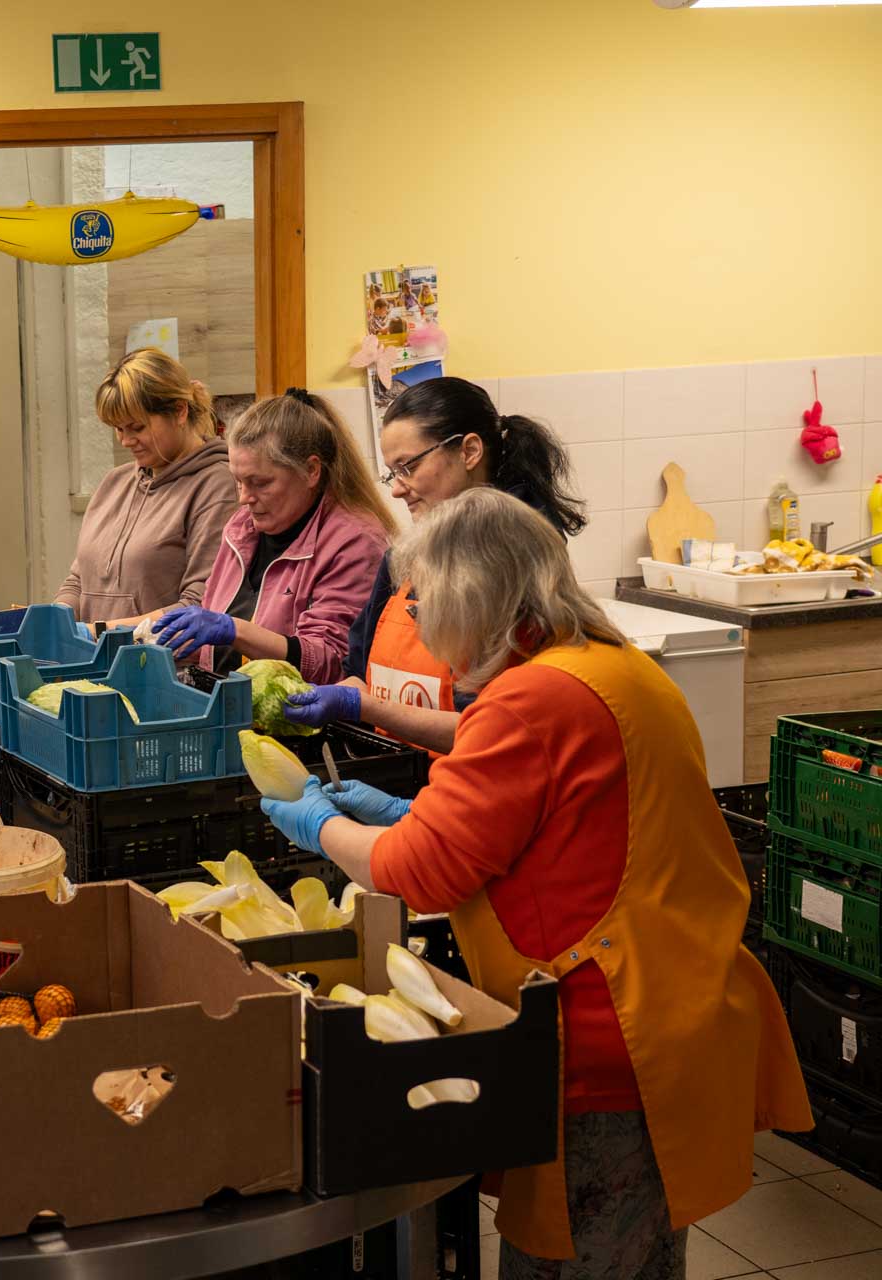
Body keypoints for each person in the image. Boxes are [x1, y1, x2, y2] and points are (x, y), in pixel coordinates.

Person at [260, 489, 809, 1279]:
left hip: (605, 1020)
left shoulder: (534, 696)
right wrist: (409, 803)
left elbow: (417, 871)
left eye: (426, 607)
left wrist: (314, 822)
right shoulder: (607, 664)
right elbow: (530, 794)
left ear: (472, 603)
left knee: (581, 1259)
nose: (422, 629)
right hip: (674, 1000)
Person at [283, 376, 586, 753]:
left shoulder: (515, 563)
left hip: (478, 786)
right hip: (401, 778)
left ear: (469, 451)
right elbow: (359, 670)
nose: (396, 488)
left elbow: (497, 732)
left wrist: (367, 706)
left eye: (408, 466)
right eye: (392, 472)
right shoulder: (406, 556)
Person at [151, 390, 395, 682]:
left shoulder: (355, 542)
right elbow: (216, 641)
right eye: (238, 481)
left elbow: (331, 662)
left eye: (260, 483)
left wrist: (235, 630)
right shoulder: (241, 527)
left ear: (311, 470)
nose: (244, 498)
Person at [53, 348, 236, 627]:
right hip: (98, 661)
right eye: (118, 429)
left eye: (136, 427)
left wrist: (98, 632)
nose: (125, 441)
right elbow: (78, 581)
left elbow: (198, 606)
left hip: (164, 666)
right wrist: (55, 621)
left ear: (179, 411)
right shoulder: (114, 482)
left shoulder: (217, 486)